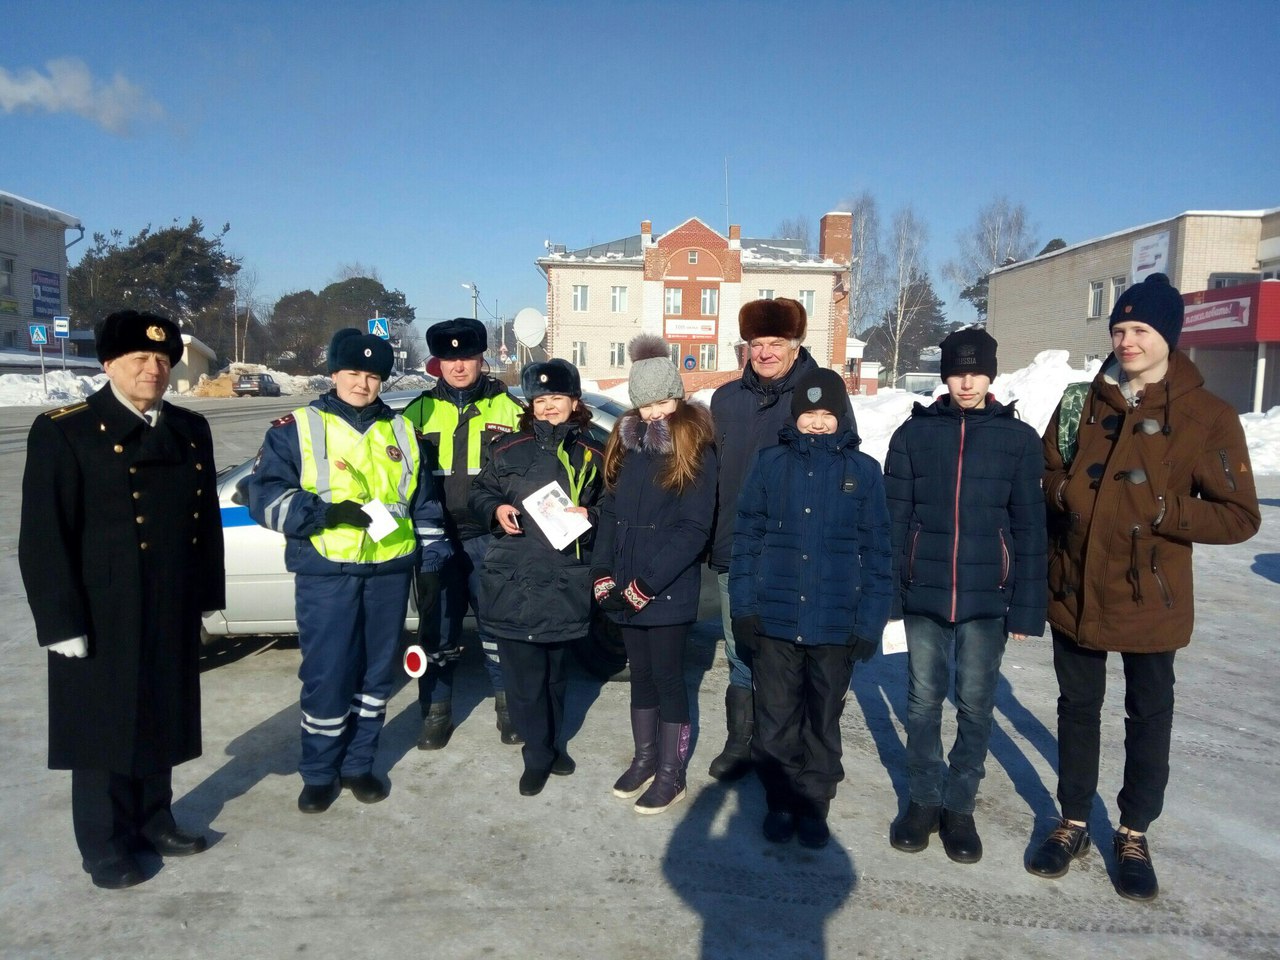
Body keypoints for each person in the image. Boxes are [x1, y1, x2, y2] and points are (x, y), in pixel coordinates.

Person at [1029, 273, 1260, 901]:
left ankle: (1133, 831)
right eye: (1120, 329)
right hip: (1076, 585)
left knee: (1148, 714)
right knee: (1077, 708)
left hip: (1149, 596)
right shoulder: (1084, 400)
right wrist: (1063, 492)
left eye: (1141, 330)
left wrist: (1164, 513)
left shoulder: (1206, 416)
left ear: (1169, 338)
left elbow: (1241, 516)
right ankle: (1072, 819)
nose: (1127, 340)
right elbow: (1048, 469)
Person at [19, 309, 224, 889]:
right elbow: (43, 536)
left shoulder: (188, 429)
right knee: (102, 726)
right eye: (139, 360)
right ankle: (104, 843)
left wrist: (207, 592)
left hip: (168, 599)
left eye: (162, 360)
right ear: (109, 365)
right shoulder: (65, 430)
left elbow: (202, 518)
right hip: (98, 608)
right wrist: (59, 621)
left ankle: (155, 819)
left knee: (161, 712)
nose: (153, 371)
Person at [245, 328, 451, 813]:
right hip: (327, 572)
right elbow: (265, 497)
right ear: (334, 373)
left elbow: (421, 501)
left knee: (376, 675)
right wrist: (321, 514)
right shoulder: (294, 427)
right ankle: (319, 772)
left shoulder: (402, 431)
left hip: (388, 571)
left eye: (373, 375)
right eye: (353, 373)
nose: (362, 384)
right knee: (327, 674)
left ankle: (360, 764)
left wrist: (432, 546)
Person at [883, 327, 1047, 864]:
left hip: (986, 598)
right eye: (957, 371)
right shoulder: (912, 436)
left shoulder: (1019, 441)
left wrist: (1026, 604)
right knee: (923, 702)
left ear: (992, 375)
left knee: (976, 705)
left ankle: (960, 805)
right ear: (944, 375)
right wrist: (889, 595)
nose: (967, 382)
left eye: (977, 372)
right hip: (923, 592)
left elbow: (1029, 526)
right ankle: (924, 800)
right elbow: (893, 519)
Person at [729, 367, 893, 848]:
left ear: (841, 417)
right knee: (776, 717)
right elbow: (746, 539)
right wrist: (743, 607)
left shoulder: (863, 472)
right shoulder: (769, 464)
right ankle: (780, 800)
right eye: (809, 414)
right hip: (775, 621)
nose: (818, 423)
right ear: (795, 417)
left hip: (836, 625)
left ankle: (814, 802)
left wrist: (870, 622)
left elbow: (878, 551)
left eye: (827, 415)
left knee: (823, 720)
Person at [593, 334, 717, 814]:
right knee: (640, 675)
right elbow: (609, 511)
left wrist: (644, 587)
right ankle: (645, 758)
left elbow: (692, 530)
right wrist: (603, 574)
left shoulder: (693, 448)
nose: (654, 412)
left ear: (678, 398)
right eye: (644, 404)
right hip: (626, 587)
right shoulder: (626, 446)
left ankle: (672, 773)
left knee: (667, 679)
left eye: (663, 400)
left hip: (664, 590)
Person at [469, 359, 604, 797]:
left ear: (574, 402)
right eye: (540, 400)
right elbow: (480, 491)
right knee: (524, 679)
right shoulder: (508, 448)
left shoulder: (594, 453)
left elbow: (615, 506)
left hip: (565, 579)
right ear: (530, 404)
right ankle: (537, 754)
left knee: (556, 675)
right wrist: (495, 508)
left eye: (557, 399)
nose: (548, 408)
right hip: (515, 579)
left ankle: (552, 743)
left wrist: (594, 514)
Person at [706, 298, 819, 781]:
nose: (766, 352)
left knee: (787, 655)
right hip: (737, 550)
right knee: (740, 651)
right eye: (757, 344)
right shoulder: (726, 400)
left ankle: (782, 750)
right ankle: (740, 742)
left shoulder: (818, 396)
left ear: (795, 345)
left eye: (776, 343)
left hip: (793, 554)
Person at [402, 318, 526, 748]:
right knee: (437, 629)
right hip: (435, 540)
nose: (458, 366)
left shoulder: (510, 409)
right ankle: (435, 713)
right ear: (438, 362)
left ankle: (509, 710)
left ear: (481, 358)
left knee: (499, 626)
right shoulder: (417, 412)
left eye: (466, 357)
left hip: (490, 537)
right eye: (449, 358)